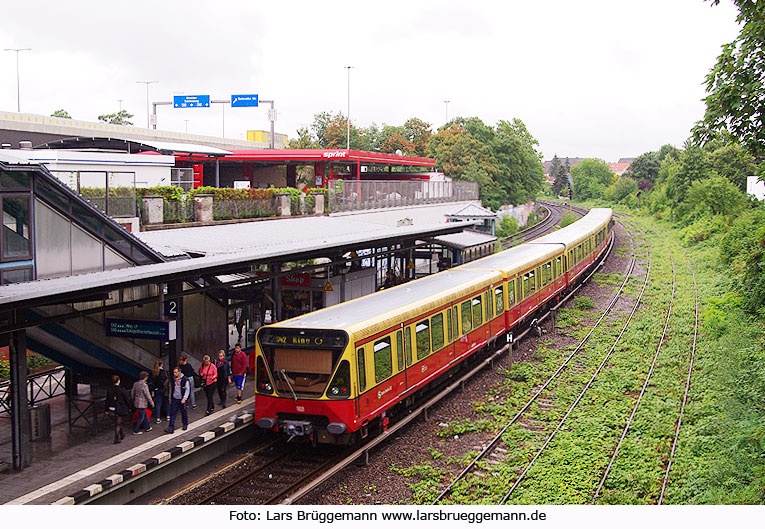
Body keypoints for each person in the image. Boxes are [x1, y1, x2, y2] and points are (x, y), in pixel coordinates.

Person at [105, 375, 131, 444]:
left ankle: (121, 433)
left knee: (117, 422)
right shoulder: (121, 390)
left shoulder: (109, 390)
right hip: (119, 407)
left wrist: (106, 410)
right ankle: (116, 438)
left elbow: (107, 400)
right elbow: (126, 399)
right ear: (118, 381)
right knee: (118, 423)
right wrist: (129, 407)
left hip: (112, 407)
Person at [165, 366, 189, 433]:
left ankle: (185, 424)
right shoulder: (172, 379)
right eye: (174, 372)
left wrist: (184, 398)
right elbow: (171, 389)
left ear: (179, 372)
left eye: (176, 372)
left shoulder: (184, 379)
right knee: (173, 413)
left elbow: (187, 389)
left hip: (181, 398)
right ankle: (171, 427)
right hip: (174, 398)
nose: (174, 374)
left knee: (183, 412)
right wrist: (170, 397)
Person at [150, 359, 168, 424]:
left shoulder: (154, 373)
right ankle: (167, 416)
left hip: (157, 389)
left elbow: (153, 383)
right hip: (164, 389)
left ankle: (158, 418)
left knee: (158, 404)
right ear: (162, 364)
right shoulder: (164, 372)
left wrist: (152, 391)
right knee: (166, 402)